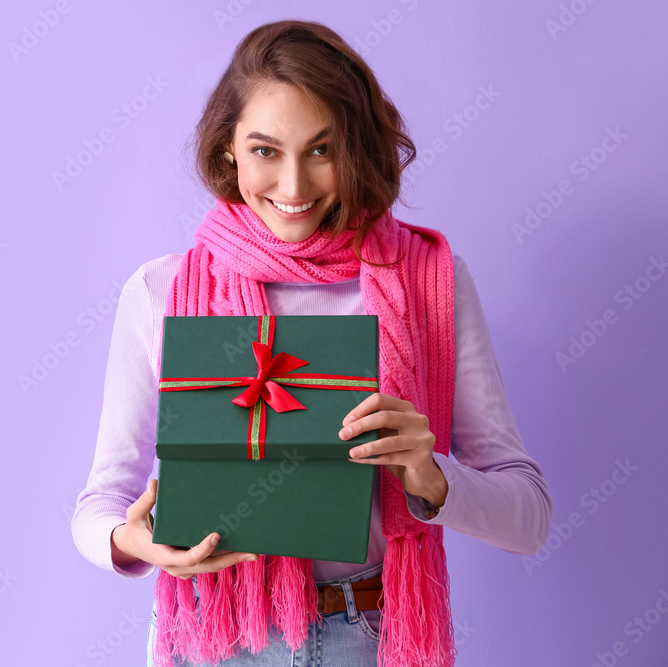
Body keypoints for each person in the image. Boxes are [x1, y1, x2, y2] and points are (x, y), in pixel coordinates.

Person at [71, 19, 552, 667]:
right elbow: (100, 501)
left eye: (321, 150)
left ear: (355, 150)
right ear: (227, 153)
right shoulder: (162, 290)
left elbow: (530, 518)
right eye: (266, 151)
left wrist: (430, 474)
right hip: (212, 637)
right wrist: (131, 540)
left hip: (373, 632)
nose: (294, 188)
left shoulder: (430, 283)